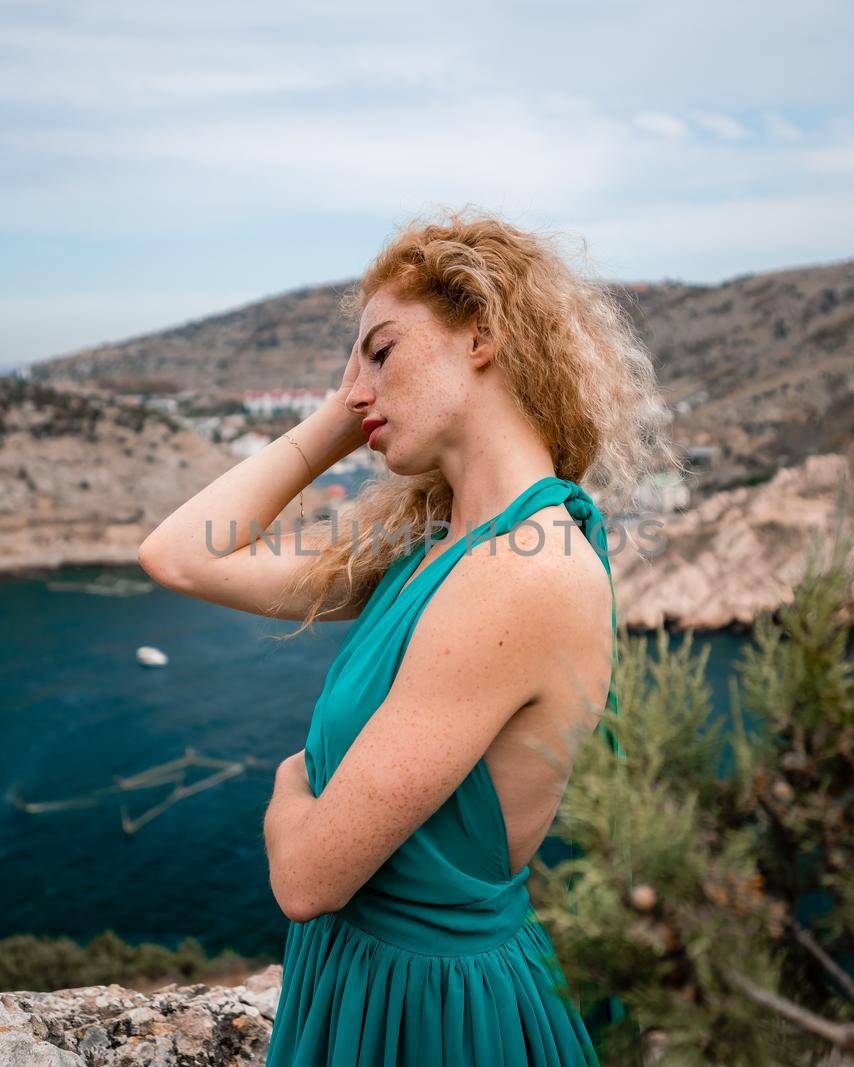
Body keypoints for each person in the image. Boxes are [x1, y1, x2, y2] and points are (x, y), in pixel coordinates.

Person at [138, 207, 678, 1065]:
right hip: (366, 987)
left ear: (482, 331)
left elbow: (307, 878)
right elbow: (179, 554)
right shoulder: (430, 547)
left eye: (383, 350)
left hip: (438, 1019)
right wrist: (342, 411)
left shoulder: (522, 571)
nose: (359, 386)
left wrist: (289, 787)